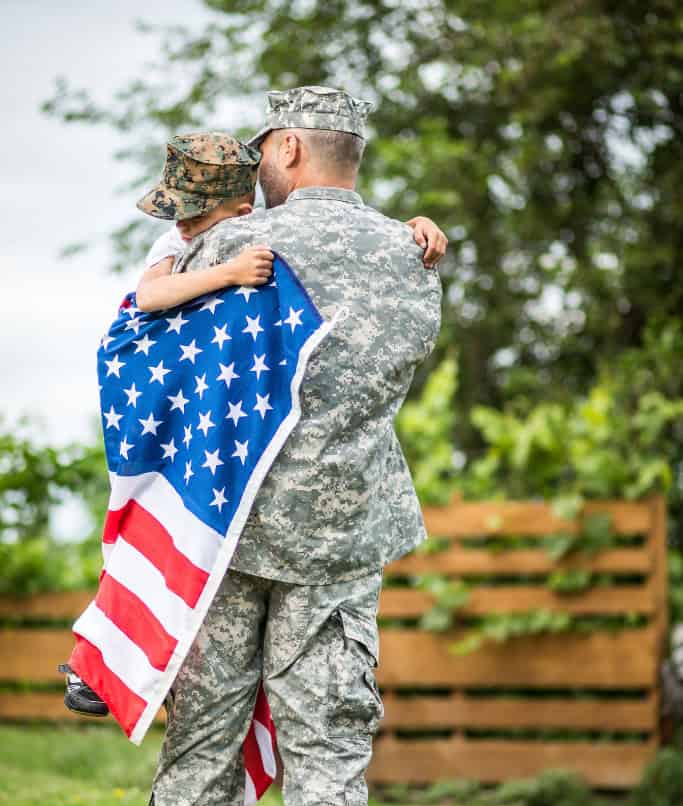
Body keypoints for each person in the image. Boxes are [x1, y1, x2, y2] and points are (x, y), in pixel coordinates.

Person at [147, 86, 444, 806]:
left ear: (282, 149)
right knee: (327, 752)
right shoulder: (411, 251)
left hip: (219, 535)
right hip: (338, 536)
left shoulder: (222, 249)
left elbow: (153, 347)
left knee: (201, 742)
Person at [59, 130, 446, 720]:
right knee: (147, 524)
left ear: (241, 210)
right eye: (177, 215)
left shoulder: (249, 229)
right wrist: (228, 272)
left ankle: (109, 657)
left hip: (244, 452)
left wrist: (413, 226)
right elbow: (150, 296)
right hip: (172, 419)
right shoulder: (199, 244)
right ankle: (104, 661)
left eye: (194, 216)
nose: (184, 228)